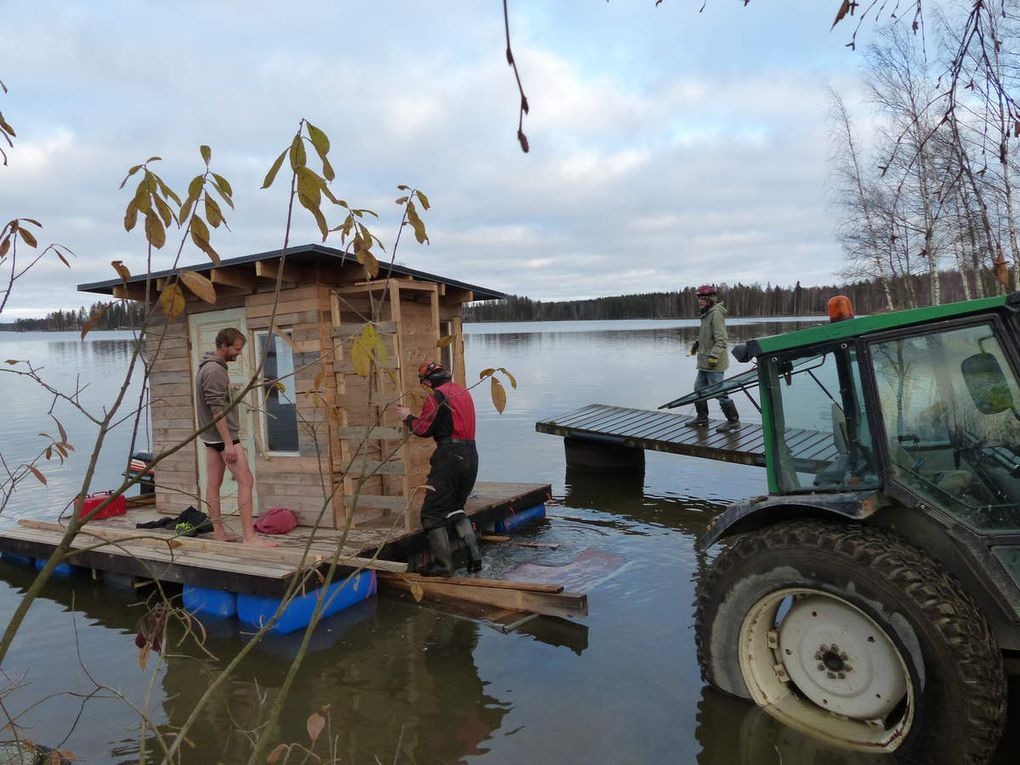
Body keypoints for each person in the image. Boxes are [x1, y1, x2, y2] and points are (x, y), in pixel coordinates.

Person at [395, 361, 482, 576]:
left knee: (432, 513)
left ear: (427, 381)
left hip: (450, 455)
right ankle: (476, 559)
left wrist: (407, 417)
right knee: (455, 508)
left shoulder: (437, 397)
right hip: (471, 454)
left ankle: (445, 568)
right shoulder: (462, 391)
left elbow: (423, 428)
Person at [195, 327, 275, 547]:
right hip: (222, 437)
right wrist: (229, 443)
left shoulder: (208, 366)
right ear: (224, 346)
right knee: (246, 480)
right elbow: (217, 410)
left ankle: (219, 532)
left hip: (210, 436)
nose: (239, 353)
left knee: (213, 482)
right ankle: (249, 537)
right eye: (237, 349)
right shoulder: (214, 371)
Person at [684, 284, 740, 433]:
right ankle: (702, 418)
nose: (700, 301)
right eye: (699, 298)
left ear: (710, 299)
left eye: (703, 298)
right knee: (699, 389)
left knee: (718, 392)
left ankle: (733, 421)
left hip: (714, 363)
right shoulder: (706, 314)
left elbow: (721, 339)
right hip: (703, 362)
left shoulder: (715, 313)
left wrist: (714, 356)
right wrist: (697, 345)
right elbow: (708, 337)